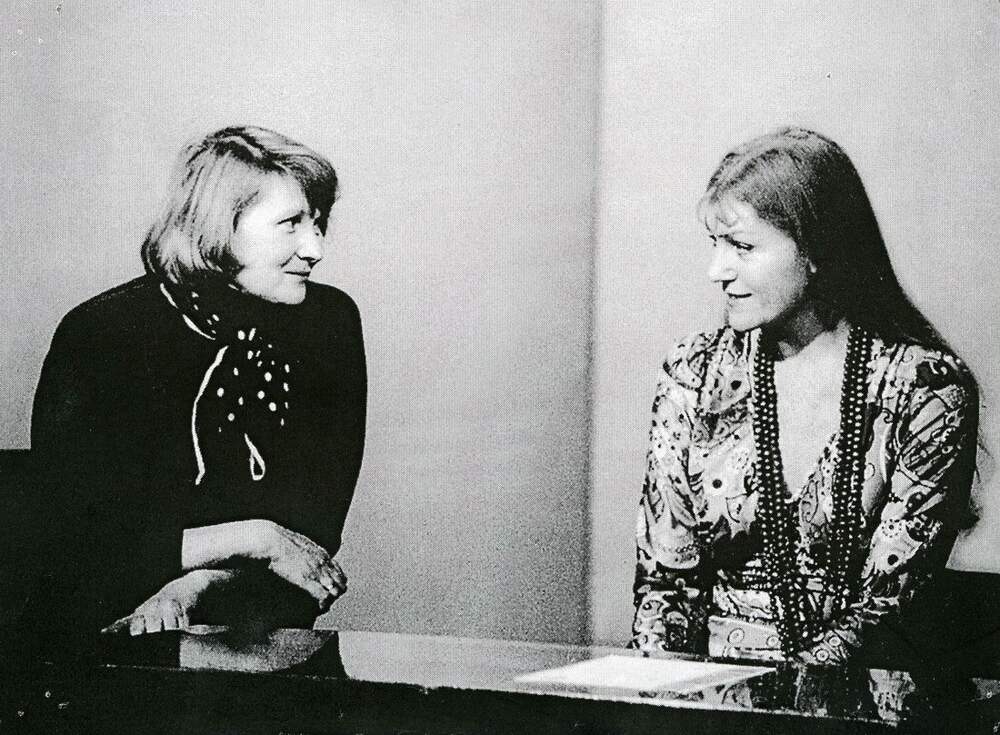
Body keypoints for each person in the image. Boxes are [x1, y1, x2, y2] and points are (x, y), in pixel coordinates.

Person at [630, 127, 978, 665]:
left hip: (854, 697)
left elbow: (886, 610)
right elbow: (664, 590)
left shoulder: (924, 390)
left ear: (817, 250)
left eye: (742, 246)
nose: (717, 271)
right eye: (715, 244)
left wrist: (775, 700)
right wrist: (655, 700)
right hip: (702, 701)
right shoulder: (694, 373)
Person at [27, 126, 366, 647]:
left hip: (256, 633)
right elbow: (75, 543)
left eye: (318, 223)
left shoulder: (329, 323)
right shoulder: (102, 332)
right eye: (291, 225)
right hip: (101, 639)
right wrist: (254, 538)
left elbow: (311, 541)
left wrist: (197, 586)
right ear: (218, 228)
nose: (314, 249)